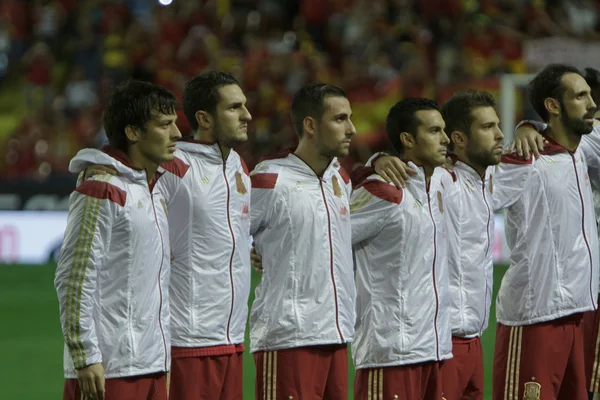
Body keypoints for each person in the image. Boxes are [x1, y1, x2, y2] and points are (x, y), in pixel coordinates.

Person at [79, 71, 253, 400]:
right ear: (204, 117)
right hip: (187, 339)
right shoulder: (175, 163)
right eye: (234, 107)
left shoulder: (239, 167)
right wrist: (100, 165)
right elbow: (129, 172)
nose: (247, 115)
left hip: (232, 338)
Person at [54, 80, 182, 400]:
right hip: (109, 369)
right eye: (165, 125)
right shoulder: (102, 188)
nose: (178, 134)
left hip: (151, 363)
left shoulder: (152, 188)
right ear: (133, 132)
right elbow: (73, 277)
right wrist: (85, 355)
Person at [491, 64, 598, 400]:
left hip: (576, 312)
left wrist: (529, 124)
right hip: (535, 315)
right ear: (554, 106)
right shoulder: (524, 160)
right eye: (580, 96)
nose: (592, 103)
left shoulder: (583, 148)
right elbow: (471, 189)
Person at [249, 82, 356, 400]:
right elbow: (222, 234)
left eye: (350, 118)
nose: (351, 129)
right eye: (339, 119)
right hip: (288, 339)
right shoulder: (270, 180)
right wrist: (256, 251)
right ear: (310, 125)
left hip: (335, 335)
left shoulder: (341, 180)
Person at [350, 98, 453, 400]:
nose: (446, 138)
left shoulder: (438, 185)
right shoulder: (384, 190)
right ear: (407, 139)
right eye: (435, 131)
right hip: (392, 351)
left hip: (432, 348)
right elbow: (329, 235)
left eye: (444, 130)